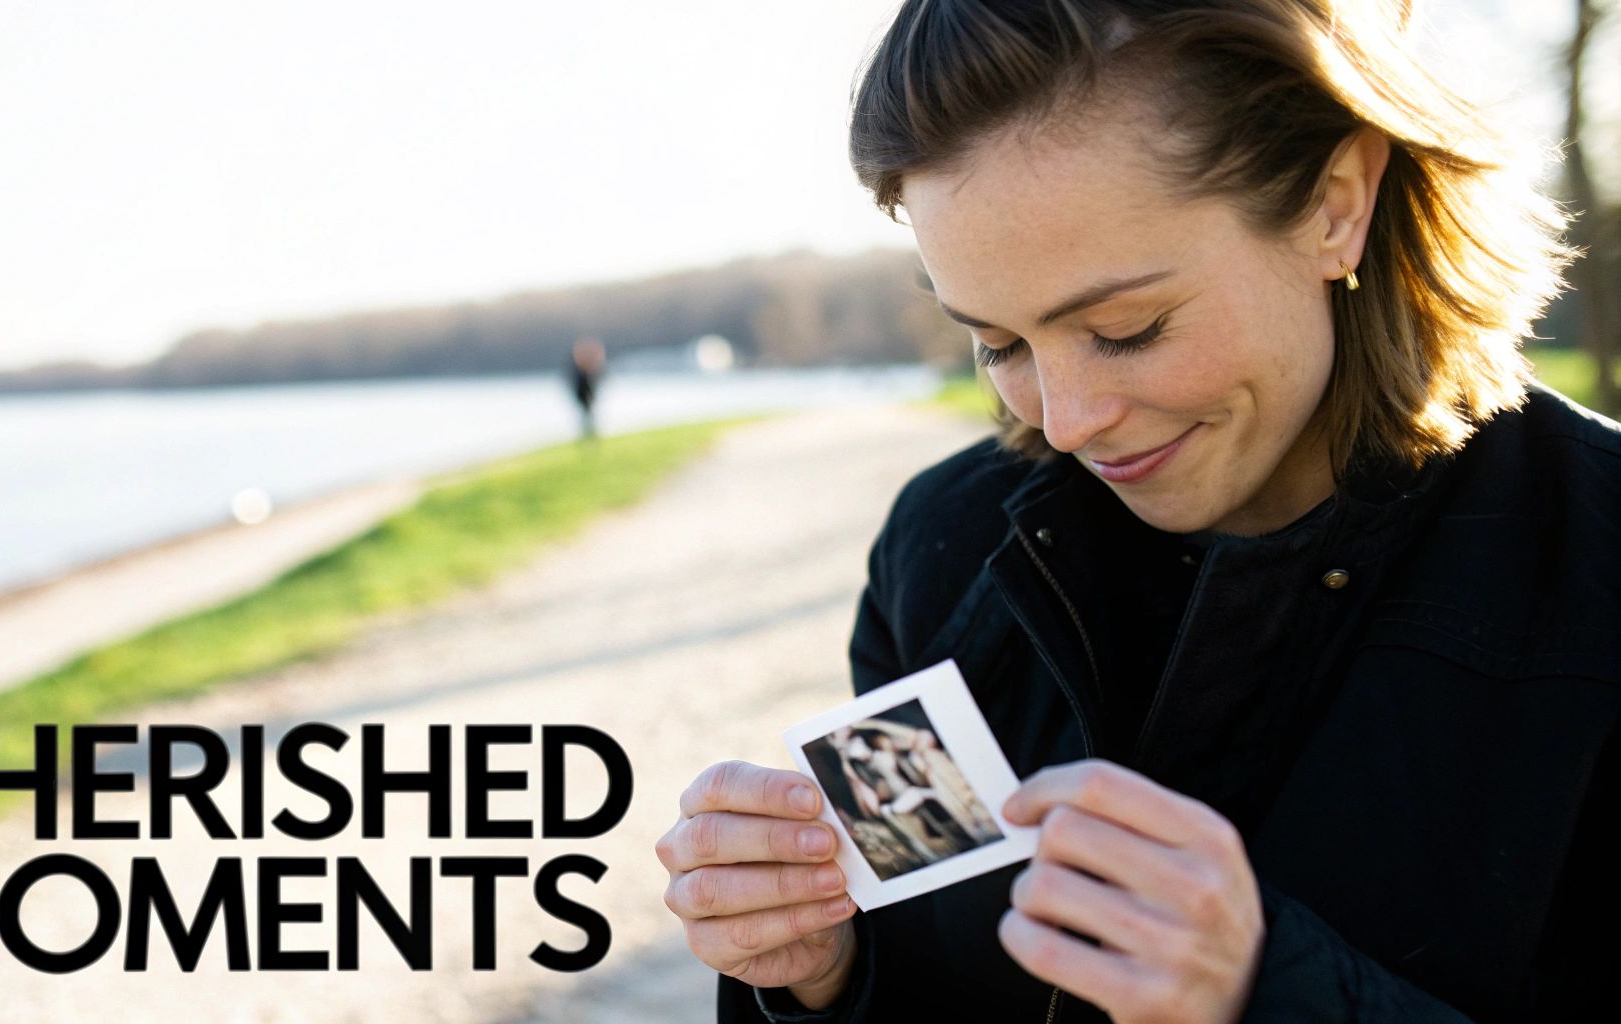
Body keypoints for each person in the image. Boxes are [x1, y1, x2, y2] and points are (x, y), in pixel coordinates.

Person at [652, 1, 1621, 1021]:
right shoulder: (941, 548)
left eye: (1125, 328)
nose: (1065, 423)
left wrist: (1262, 992)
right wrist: (825, 973)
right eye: (998, 344)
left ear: (1334, 203)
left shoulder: (1597, 566)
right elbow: (924, 974)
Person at [569, 336, 606, 441]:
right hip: (584, 397)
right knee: (587, 417)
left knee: (588, 417)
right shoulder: (580, 371)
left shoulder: (584, 370)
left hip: (586, 397)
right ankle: (588, 435)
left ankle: (589, 435)